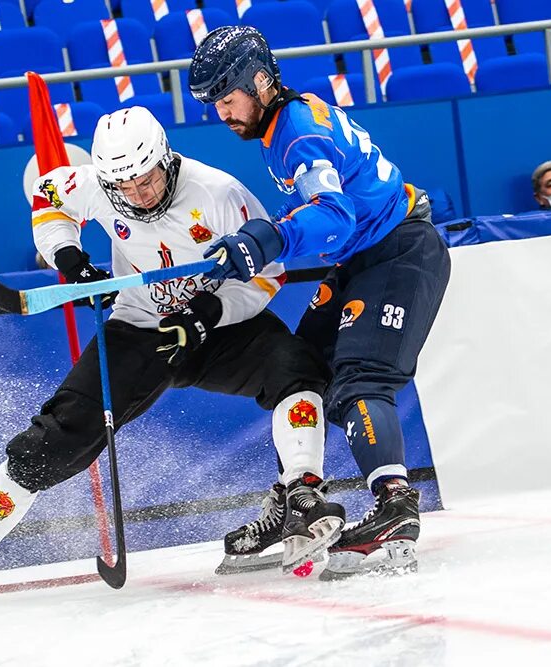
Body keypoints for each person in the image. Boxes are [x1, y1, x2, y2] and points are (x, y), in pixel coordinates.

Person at [0, 106, 344, 604]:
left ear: (166, 159)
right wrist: (71, 258)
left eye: (146, 180)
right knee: (49, 444)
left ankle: (301, 493)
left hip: (222, 323)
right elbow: (47, 196)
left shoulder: (219, 193)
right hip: (140, 328)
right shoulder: (99, 185)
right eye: (125, 187)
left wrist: (206, 313)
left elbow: (267, 272)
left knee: (297, 369)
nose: (138, 195)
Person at [189, 26, 452, 578]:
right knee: (297, 372)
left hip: (398, 250)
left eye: (227, 99)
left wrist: (266, 239)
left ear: (260, 83)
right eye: (214, 104)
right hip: (364, 258)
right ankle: (295, 497)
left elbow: (335, 216)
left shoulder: (296, 132)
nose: (222, 113)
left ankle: (395, 504)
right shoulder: (287, 121)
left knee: (360, 380)